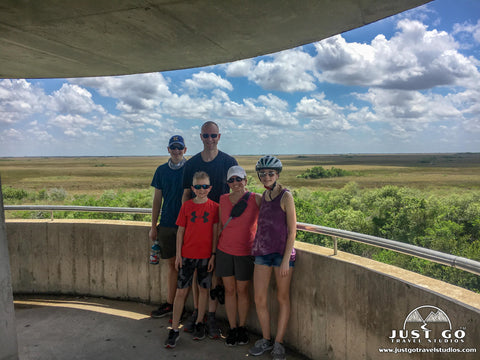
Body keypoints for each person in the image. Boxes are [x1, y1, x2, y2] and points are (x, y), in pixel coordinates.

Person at [181, 121, 238, 338]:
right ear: (201, 137)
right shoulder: (192, 163)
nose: (210, 139)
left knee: (214, 276)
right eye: (206, 135)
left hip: (221, 226)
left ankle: (211, 316)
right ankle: (198, 314)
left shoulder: (228, 162)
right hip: (197, 228)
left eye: (213, 135)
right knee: (198, 273)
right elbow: (186, 195)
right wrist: (183, 226)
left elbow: (239, 190)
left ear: (219, 136)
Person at [249, 156, 296, 360]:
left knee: (282, 298)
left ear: (277, 175)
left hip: (281, 256)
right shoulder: (264, 196)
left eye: (270, 173)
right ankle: (266, 339)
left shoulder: (286, 197)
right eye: (263, 174)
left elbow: (292, 231)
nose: (266, 177)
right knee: (259, 298)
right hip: (262, 253)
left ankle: (279, 343)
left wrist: (286, 259)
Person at [164, 171, 219, 348]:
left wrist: (213, 255)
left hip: (205, 257)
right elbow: (180, 231)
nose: (201, 190)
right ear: (192, 188)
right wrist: (178, 254)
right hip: (187, 256)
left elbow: (215, 231)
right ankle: (174, 329)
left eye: (205, 186)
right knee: (181, 291)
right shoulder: (186, 206)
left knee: (203, 290)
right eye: (197, 186)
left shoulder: (215, 207)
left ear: (210, 188)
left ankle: (199, 323)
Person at [216, 165, 261, 347]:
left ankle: (241, 328)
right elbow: (220, 226)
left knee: (242, 291)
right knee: (229, 290)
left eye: (239, 179)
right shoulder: (223, 199)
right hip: (224, 250)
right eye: (231, 180)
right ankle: (233, 328)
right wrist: (213, 253)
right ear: (228, 183)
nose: (235, 183)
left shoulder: (256, 199)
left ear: (246, 180)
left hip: (245, 252)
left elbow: (275, 213)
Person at [149, 135, 187, 318]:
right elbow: (157, 199)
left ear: (185, 150)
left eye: (180, 148)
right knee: (172, 265)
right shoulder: (161, 170)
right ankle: (171, 304)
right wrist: (153, 226)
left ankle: (189, 309)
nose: (177, 151)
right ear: (168, 149)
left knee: (189, 267)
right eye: (174, 148)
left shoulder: (190, 168)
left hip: (187, 226)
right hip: (167, 224)